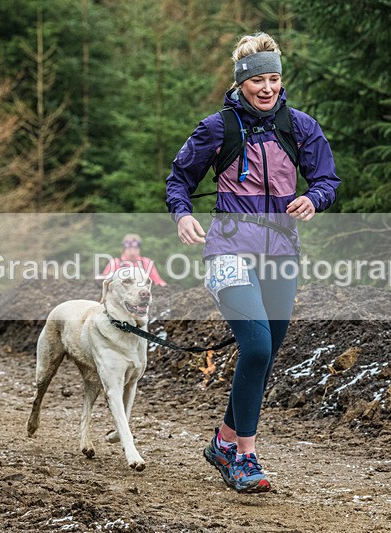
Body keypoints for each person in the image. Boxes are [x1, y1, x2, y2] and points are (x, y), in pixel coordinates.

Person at [165, 32, 340, 493]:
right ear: (241, 82)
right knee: (258, 347)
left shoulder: (299, 126)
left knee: (264, 354)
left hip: (281, 253)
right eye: (258, 80)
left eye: (274, 79)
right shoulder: (217, 128)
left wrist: (314, 198)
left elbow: (327, 178)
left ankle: (223, 442)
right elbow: (178, 179)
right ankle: (245, 457)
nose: (267, 88)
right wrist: (183, 215)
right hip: (227, 249)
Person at [101, 234, 167, 286]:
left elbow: (157, 282)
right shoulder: (115, 263)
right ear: (123, 250)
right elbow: (104, 282)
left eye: (135, 249)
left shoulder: (146, 263)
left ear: (139, 250)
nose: (132, 253)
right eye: (129, 249)